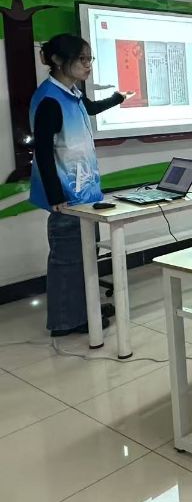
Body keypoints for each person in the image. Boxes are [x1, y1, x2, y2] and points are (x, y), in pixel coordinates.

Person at [29, 34, 133, 337]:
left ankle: (84, 308)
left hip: (83, 193)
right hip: (67, 196)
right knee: (68, 258)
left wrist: (118, 98)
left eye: (90, 59)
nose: (88, 65)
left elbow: (91, 108)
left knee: (84, 255)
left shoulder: (71, 92)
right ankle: (66, 321)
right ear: (59, 60)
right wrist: (55, 195)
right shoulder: (50, 99)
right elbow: (43, 152)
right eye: (82, 59)